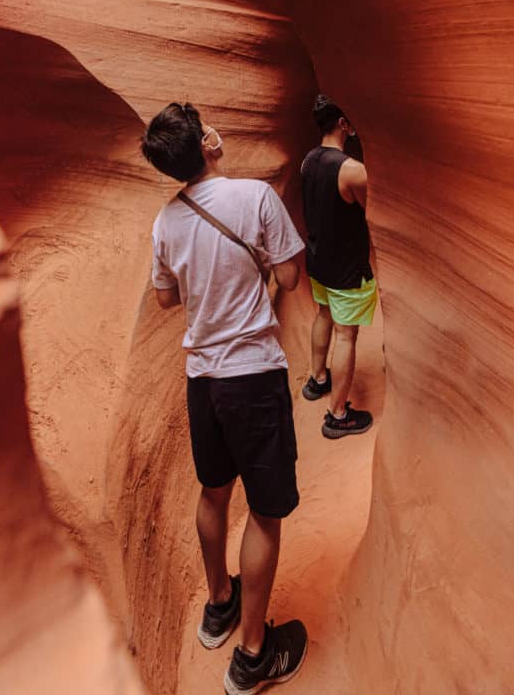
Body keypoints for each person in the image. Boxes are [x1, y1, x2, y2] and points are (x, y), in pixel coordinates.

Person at [142, 102, 308, 694]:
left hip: (203, 381)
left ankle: (219, 604)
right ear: (207, 142)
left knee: (214, 493)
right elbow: (290, 279)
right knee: (265, 511)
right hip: (254, 377)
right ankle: (253, 656)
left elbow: (166, 299)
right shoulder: (254, 198)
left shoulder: (166, 220)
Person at [300, 95, 376, 439]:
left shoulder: (308, 161)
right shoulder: (352, 170)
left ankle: (317, 380)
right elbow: (369, 211)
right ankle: (338, 414)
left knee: (323, 315)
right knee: (347, 335)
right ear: (343, 124)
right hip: (346, 268)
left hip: (318, 260)